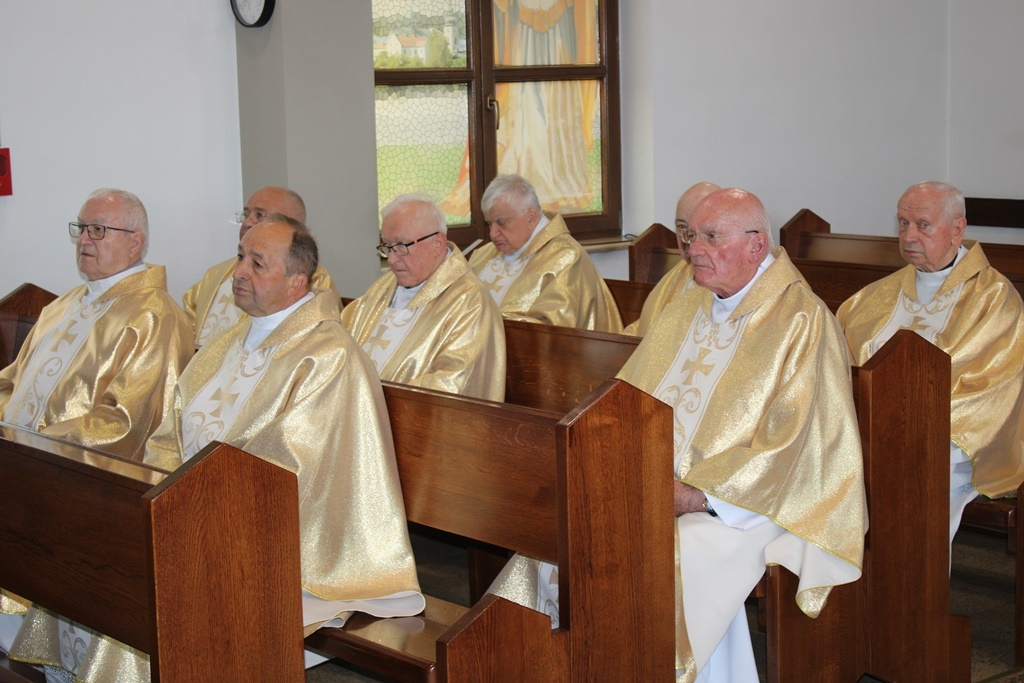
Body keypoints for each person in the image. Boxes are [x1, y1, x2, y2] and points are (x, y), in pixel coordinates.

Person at [9, 218, 423, 681]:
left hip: (274, 539)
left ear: (296, 282)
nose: (239, 271)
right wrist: (161, 503)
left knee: (152, 588)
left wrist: (189, 512)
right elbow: (168, 436)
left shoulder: (328, 356)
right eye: (241, 256)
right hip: (193, 509)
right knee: (99, 548)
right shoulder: (225, 343)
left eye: (257, 264)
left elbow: (294, 470)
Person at [488, 189, 867, 682]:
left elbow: (797, 447)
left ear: (757, 244)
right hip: (660, 485)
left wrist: (697, 496)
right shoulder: (689, 306)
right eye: (691, 237)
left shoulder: (802, 321)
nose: (693, 251)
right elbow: (626, 397)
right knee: (560, 533)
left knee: (664, 555)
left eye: (711, 238)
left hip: (752, 504)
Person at [0, 188, 193, 659]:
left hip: (85, 487)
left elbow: (126, 424)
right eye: (81, 228)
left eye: (98, 230)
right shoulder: (63, 305)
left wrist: (28, 444)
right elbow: (12, 382)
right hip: (20, 467)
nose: (84, 239)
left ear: (136, 242)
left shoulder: (155, 316)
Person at [838, 181, 1024, 548]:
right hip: (871, 433)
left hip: (948, 442)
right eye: (903, 223)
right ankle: (849, 581)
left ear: (957, 230)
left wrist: (904, 429)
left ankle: (912, 582)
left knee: (904, 476)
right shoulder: (872, 298)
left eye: (923, 225)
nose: (909, 236)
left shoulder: (993, 300)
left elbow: (990, 388)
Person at [342, 195, 505, 401]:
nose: (392, 259)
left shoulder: (470, 302)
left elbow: (454, 384)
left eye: (402, 246)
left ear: (438, 243)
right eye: (387, 246)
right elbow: (345, 339)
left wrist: (374, 402)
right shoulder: (384, 286)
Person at [182, 186, 337, 347]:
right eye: (246, 215)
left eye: (260, 215)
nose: (247, 222)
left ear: (290, 225)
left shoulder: (315, 280)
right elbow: (186, 334)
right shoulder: (215, 275)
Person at [468, 174, 622, 332]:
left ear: (531, 217)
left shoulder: (567, 258)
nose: (493, 234)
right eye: (489, 224)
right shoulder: (484, 255)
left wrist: (487, 325)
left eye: (502, 223)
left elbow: (554, 330)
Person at [623, 181, 720, 336]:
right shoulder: (679, 273)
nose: (687, 240)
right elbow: (643, 329)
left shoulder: (730, 283)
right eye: (681, 227)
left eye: (699, 229)